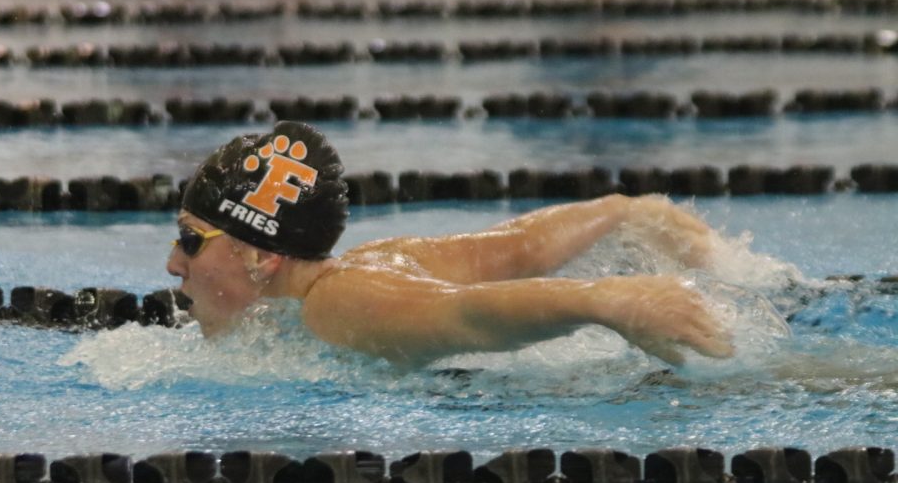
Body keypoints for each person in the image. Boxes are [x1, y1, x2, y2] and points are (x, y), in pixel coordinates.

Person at [167, 120, 734, 368]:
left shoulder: (338, 307)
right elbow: (518, 247)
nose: (173, 264)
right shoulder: (374, 263)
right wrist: (624, 211)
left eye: (191, 241)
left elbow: (466, 316)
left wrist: (611, 302)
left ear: (262, 256)